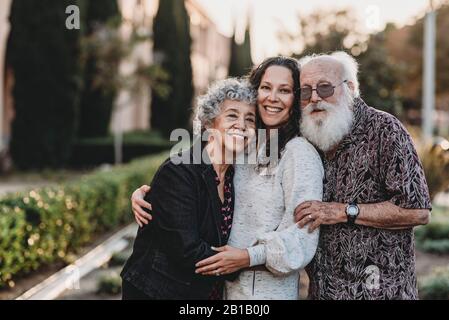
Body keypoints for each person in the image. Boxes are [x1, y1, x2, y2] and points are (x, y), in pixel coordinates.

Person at [130, 57, 324, 299]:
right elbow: (197, 164)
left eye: (284, 90)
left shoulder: (298, 152)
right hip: (212, 290)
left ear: (296, 98)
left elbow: (303, 235)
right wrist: (151, 193)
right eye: (266, 87)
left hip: (265, 293)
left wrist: (246, 258)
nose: (273, 97)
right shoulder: (246, 149)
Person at [294, 51, 431, 300]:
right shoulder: (308, 138)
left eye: (324, 88)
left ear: (350, 88)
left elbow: (417, 211)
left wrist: (343, 211)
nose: (314, 97)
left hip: (381, 293)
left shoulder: (385, 130)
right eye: (305, 91)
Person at [120, 78, 257, 300]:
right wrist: (251, 260)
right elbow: (188, 252)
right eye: (232, 115)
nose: (242, 125)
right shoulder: (180, 171)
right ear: (210, 124)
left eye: (249, 119)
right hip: (157, 291)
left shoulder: (235, 175)